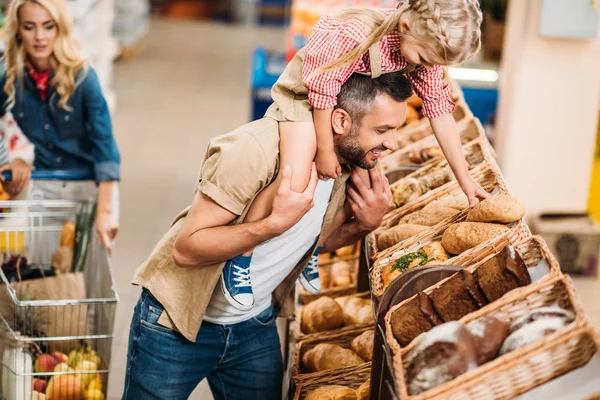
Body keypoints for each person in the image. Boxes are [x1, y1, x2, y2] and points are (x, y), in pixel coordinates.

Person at [123, 70, 413, 400]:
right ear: (341, 121)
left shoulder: (348, 165)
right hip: (177, 325)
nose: (393, 143)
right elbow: (187, 249)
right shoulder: (252, 152)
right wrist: (271, 224)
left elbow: (305, 244)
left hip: (253, 325)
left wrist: (363, 225)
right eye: (383, 130)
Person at [220, 0, 490, 310]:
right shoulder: (355, 33)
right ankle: (240, 259)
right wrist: (323, 151)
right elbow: (321, 92)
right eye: (423, 58)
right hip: (307, 100)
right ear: (406, 27)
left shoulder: (418, 49)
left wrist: (466, 180)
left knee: (354, 191)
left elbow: (440, 112)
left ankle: (308, 250)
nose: (425, 67)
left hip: (347, 108)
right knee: (295, 178)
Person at [0, 0, 120, 252]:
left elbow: (106, 149)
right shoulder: (11, 77)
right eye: (29, 27)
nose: (39, 37)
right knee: (41, 274)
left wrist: (104, 212)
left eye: (48, 26)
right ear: (18, 31)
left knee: (90, 281)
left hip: (92, 187)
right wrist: (8, 161)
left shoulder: (84, 77)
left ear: (60, 29)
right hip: (46, 183)